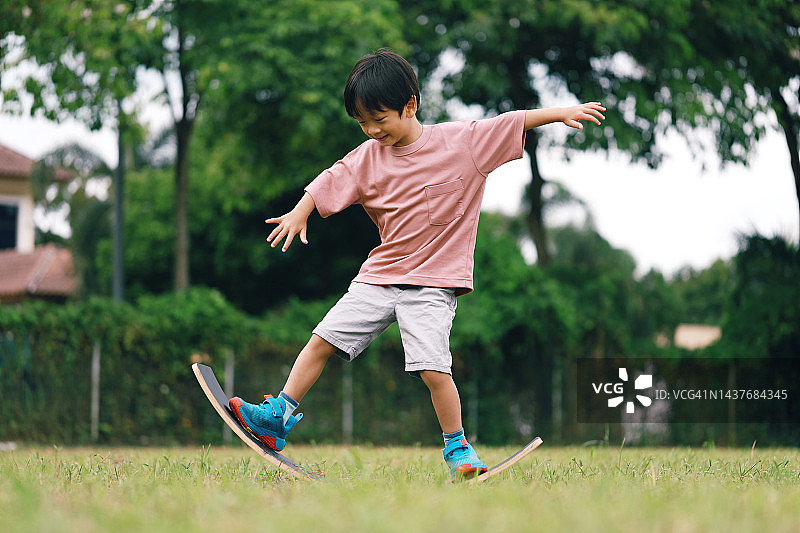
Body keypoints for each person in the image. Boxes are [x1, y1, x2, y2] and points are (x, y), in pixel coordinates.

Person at [229, 48, 605, 479]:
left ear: (411, 105)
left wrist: (560, 112)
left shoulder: (461, 142)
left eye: (379, 118)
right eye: (362, 122)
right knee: (321, 340)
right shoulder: (367, 156)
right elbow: (332, 179)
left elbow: (512, 121)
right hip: (381, 275)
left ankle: (458, 449)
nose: (371, 130)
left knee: (432, 368)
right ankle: (278, 417)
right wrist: (301, 211)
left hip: (433, 282)